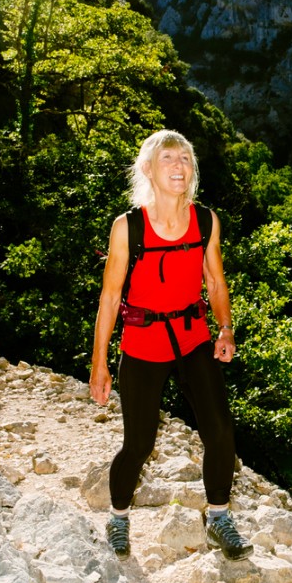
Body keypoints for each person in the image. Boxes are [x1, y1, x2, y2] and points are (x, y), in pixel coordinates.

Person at [89, 129, 253, 561]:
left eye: (185, 158)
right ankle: (119, 517)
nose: (179, 166)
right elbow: (109, 297)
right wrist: (99, 363)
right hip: (143, 343)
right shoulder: (129, 227)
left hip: (193, 336)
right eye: (168, 158)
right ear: (147, 168)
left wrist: (225, 328)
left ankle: (218, 517)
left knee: (220, 431)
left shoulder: (205, 220)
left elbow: (215, 280)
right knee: (139, 443)